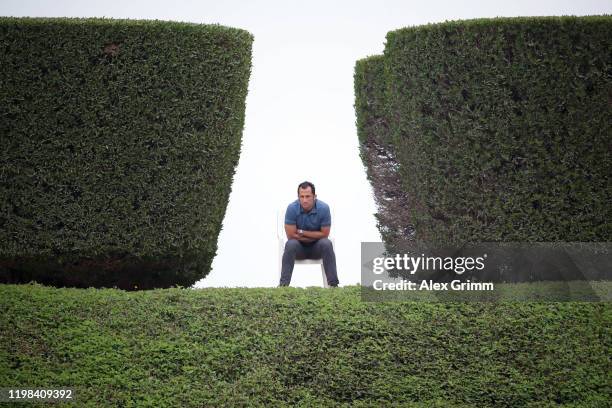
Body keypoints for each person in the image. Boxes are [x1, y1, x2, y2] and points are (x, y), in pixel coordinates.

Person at [279, 181, 339, 287]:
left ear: (314, 196)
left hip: (317, 248)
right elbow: (291, 236)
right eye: (301, 197)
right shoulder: (292, 208)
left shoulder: (324, 208)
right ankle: (283, 286)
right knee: (290, 244)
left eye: (308, 196)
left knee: (327, 243)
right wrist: (315, 236)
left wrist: (302, 232)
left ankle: (333, 285)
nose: (304, 200)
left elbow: (325, 234)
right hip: (298, 249)